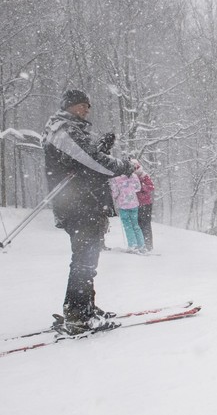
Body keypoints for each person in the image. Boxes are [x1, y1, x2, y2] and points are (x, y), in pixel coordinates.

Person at [41, 89, 136, 334]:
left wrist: (99, 147)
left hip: (84, 203)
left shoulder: (68, 129)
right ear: (69, 106)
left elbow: (82, 158)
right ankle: (78, 315)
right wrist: (123, 166)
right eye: (82, 105)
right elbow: (92, 161)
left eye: (88, 106)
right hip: (79, 205)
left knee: (87, 258)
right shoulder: (64, 129)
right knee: (84, 259)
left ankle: (84, 307)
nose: (86, 109)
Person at [110, 171, 146, 254]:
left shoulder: (116, 178)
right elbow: (138, 188)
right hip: (134, 203)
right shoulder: (134, 175)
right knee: (136, 225)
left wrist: (116, 195)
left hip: (123, 205)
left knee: (128, 226)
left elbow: (115, 192)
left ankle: (132, 245)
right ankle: (141, 245)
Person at [135, 164, 155, 251]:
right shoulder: (131, 177)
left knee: (146, 224)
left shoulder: (145, 176)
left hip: (146, 204)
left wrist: (142, 187)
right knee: (138, 224)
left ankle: (148, 244)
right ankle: (140, 244)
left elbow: (151, 187)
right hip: (136, 204)